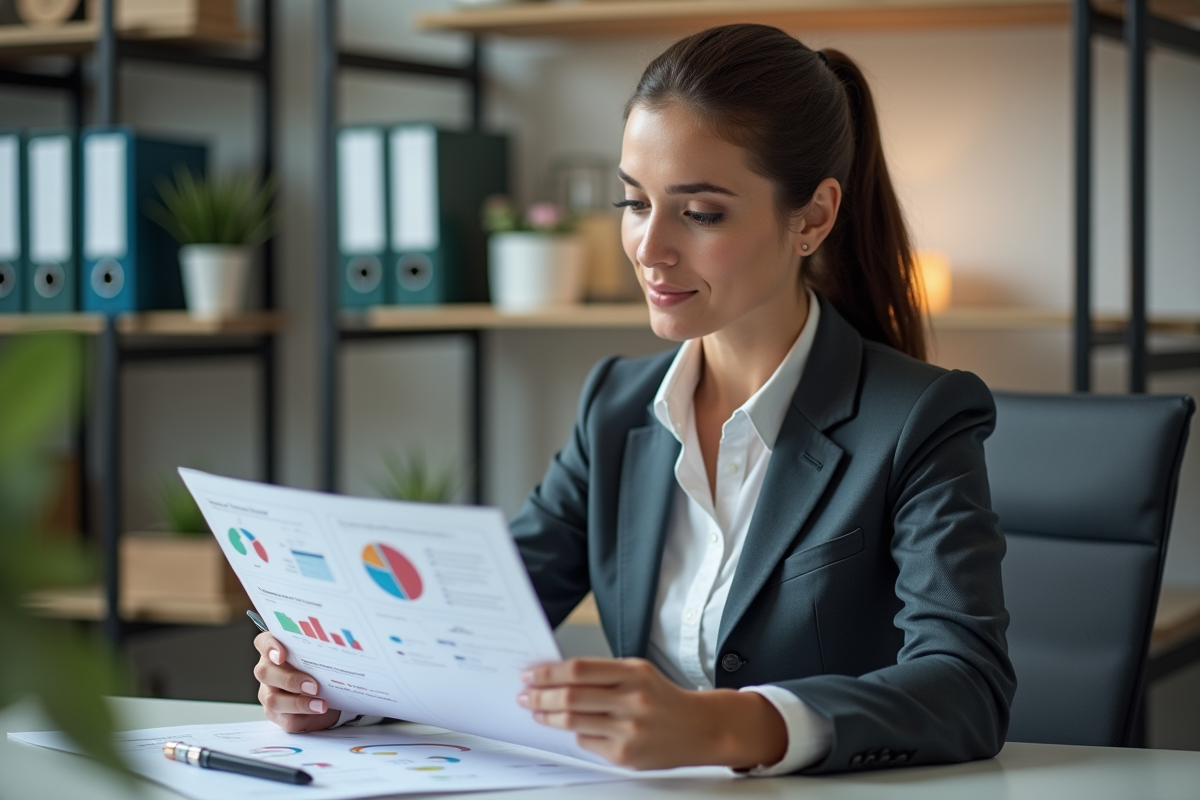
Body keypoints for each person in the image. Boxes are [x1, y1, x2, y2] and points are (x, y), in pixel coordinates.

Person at [252, 23, 1015, 775]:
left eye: (701, 212)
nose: (650, 248)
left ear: (812, 217)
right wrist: (339, 685)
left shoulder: (920, 417)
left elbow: (966, 686)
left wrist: (727, 727)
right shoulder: (617, 406)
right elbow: (476, 622)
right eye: (635, 203)